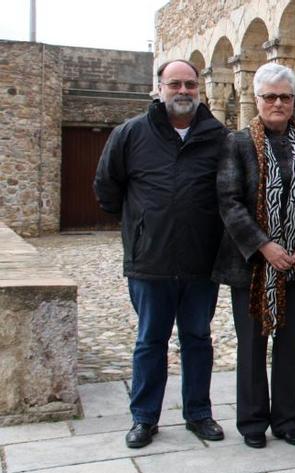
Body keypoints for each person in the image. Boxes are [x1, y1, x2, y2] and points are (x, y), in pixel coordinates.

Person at [94, 59, 227, 448]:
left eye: (190, 84)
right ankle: (144, 418)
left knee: (197, 339)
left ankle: (198, 413)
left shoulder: (217, 137)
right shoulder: (131, 134)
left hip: (201, 262)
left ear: (199, 89)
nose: (183, 91)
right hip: (150, 262)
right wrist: (141, 226)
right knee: (150, 341)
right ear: (159, 88)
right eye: (175, 84)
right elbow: (107, 188)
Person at [212, 63, 295, 448]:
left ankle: (287, 421)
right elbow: (229, 202)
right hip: (253, 266)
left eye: (285, 97)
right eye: (270, 97)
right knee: (252, 346)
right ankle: (252, 423)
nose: (278, 103)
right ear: (257, 100)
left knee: (289, 345)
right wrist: (264, 245)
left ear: (294, 100)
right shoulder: (238, 143)